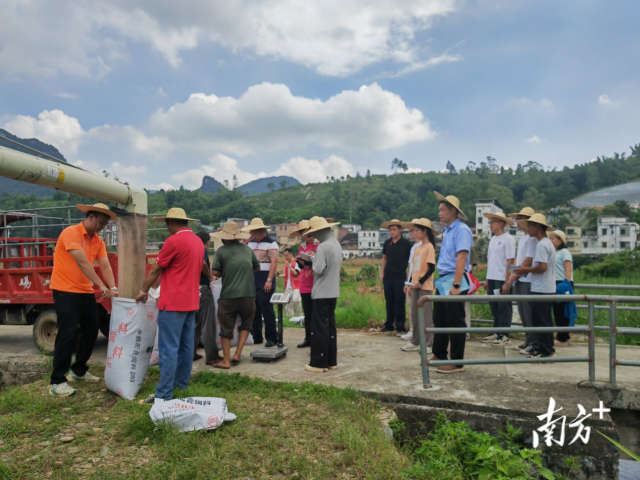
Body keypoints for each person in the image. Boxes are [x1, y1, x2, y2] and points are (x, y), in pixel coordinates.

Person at [48, 203, 118, 397]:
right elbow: (82, 263)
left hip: (85, 291)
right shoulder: (71, 233)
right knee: (67, 334)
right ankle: (57, 381)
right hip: (65, 291)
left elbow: (105, 266)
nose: (102, 227)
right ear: (91, 216)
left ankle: (78, 371)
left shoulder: (98, 241)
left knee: (91, 330)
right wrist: (101, 286)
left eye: (105, 225)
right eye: (101, 223)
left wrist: (112, 288)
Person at [135, 208, 204, 404]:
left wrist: (143, 291)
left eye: (166, 224)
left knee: (168, 349)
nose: (166, 228)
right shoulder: (198, 241)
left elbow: (156, 269)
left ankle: (164, 394)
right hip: (191, 302)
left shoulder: (173, 241)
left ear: (171, 222)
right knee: (185, 347)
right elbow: (202, 266)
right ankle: (181, 385)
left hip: (173, 303)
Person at [431, 192, 473, 374]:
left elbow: (461, 258)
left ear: (453, 211)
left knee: (455, 320)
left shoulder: (461, 230)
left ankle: (457, 362)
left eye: (442, 210)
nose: (439, 213)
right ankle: (439, 354)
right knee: (439, 318)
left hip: (454, 278)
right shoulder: (448, 230)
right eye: (439, 210)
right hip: (444, 278)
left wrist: (456, 285)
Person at [210, 221, 261, 369]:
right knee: (246, 323)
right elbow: (256, 267)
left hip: (228, 296)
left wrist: (227, 271)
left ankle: (226, 360)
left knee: (226, 328)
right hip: (249, 295)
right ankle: (238, 354)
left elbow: (215, 272)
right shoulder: (247, 250)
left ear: (224, 238)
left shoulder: (221, 251)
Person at [514, 213, 556, 359]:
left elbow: (542, 267)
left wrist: (525, 270)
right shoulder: (546, 243)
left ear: (538, 227)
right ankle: (546, 349)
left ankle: (544, 351)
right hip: (546, 287)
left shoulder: (541, 244)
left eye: (530, 225)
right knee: (544, 321)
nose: (528, 228)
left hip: (541, 288)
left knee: (541, 322)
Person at [303, 216, 342, 373]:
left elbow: (318, 270)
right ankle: (331, 361)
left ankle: (318, 363)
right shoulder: (336, 244)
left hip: (321, 293)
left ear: (319, 231)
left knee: (319, 328)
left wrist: (313, 259)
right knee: (330, 328)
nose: (314, 237)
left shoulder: (323, 247)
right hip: (333, 291)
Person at [400, 219, 438, 353]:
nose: (414, 233)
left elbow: (431, 268)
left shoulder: (429, 247)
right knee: (415, 314)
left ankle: (429, 344)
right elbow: (414, 268)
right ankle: (415, 341)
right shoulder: (417, 248)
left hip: (425, 286)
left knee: (427, 315)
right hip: (414, 285)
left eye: (417, 230)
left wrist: (420, 281)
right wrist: (410, 284)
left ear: (424, 231)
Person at [241, 218, 279, 347]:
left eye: (254, 233)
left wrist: (269, 280)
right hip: (252, 281)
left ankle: (272, 337)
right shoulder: (250, 243)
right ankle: (257, 336)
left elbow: (274, 262)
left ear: (262, 230)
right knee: (254, 311)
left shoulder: (271, 244)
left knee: (267, 310)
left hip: (265, 281)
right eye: (251, 233)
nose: (252, 235)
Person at [481, 212, 516, 347]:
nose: (490, 224)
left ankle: (505, 335)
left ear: (502, 223)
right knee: (494, 306)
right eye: (490, 222)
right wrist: (487, 279)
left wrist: (507, 281)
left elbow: (511, 261)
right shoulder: (493, 239)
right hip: (493, 278)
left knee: (504, 307)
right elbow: (491, 261)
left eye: (493, 221)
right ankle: (497, 331)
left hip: (502, 278)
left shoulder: (508, 239)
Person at [507, 207, 536, 352]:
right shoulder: (524, 237)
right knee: (522, 312)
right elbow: (520, 260)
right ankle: (528, 339)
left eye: (520, 219)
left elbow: (528, 260)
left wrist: (515, 273)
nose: (517, 222)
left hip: (528, 279)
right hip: (520, 278)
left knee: (529, 313)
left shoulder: (532, 238)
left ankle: (533, 342)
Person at [379, 219, 413, 334]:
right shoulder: (387, 243)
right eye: (390, 230)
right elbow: (384, 258)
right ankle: (389, 325)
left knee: (399, 302)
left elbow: (411, 261)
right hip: (388, 276)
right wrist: (382, 274)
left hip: (400, 277)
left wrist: (409, 275)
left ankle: (400, 327)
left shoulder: (407, 244)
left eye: (394, 230)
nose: (392, 232)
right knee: (389, 301)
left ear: (400, 230)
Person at [192, 231, 220, 364]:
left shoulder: (190, 249)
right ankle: (212, 356)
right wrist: (210, 277)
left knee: (195, 324)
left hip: (192, 289)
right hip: (203, 289)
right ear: (207, 242)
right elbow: (202, 263)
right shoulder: (201, 248)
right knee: (207, 324)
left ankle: (191, 353)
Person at [291, 220, 318, 348]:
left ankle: (318, 337)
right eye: (302, 232)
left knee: (317, 313)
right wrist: (301, 261)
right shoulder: (302, 246)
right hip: (305, 283)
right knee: (307, 314)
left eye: (305, 231)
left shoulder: (320, 244)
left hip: (317, 283)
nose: (304, 235)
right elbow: (300, 266)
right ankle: (308, 338)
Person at [548, 230, 574, 347]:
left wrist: (565, 284)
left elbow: (568, 269)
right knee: (558, 311)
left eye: (553, 238)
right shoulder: (554, 252)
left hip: (562, 283)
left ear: (560, 240)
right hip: (555, 282)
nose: (551, 240)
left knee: (561, 312)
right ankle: (566, 337)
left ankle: (561, 338)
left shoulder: (564, 252)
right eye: (550, 238)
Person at [400, 224, 422, 341]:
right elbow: (411, 267)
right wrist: (407, 283)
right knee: (410, 306)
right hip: (411, 281)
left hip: (418, 282)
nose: (412, 233)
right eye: (410, 231)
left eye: (413, 231)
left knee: (417, 307)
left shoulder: (423, 246)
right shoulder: (414, 247)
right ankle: (413, 330)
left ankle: (417, 331)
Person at [279, 247, 302, 317]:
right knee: (288, 303)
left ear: (291, 254)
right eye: (284, 255)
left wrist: (289, 266)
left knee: (296, 300)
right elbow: (286, 275)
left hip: (297, 286)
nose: (285, 257)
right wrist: (278, 275)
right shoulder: (286, 264)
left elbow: (295, 273)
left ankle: (300, 317)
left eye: (286, 255)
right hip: (288, 287)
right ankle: (290, 318)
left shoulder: (297, 263)